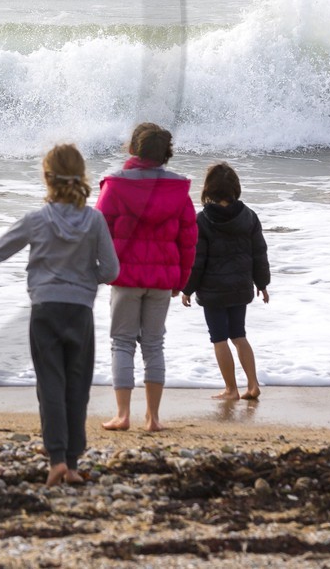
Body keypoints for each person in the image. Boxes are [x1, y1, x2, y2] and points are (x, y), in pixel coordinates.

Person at [0, 144, 119, 485]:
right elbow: (111, 270)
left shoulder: (36, 220)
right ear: (82, 176)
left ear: (47, 178)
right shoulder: (94, 220)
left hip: (45, 310)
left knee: (50, 384)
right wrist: (82, 281)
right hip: (80, 312)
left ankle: (56, 458)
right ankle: (72, 464)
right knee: (78, 386)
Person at [96, 122, 197, 432]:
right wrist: (180, 281)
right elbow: (188, 240)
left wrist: (100, 271)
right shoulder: (178, 190)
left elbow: (98, 231)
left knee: (122, 343)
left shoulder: (115, 185)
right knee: (154, 344)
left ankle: (123, 415)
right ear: (165, 153)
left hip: (125, 277)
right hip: (162, 280)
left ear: (132, 149)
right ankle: (153, 418)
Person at [182, 162, 271, 401]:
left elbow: (197, 261)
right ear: (235, 188)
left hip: (213, 291)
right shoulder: (249, 216)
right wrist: (262, 284)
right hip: (240, 288)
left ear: (208, 189)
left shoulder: (202, 221)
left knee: (219, 339)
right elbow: (259, 253)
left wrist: (187, 288)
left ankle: (231, 389)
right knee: (239, 335)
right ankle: (253, 385)